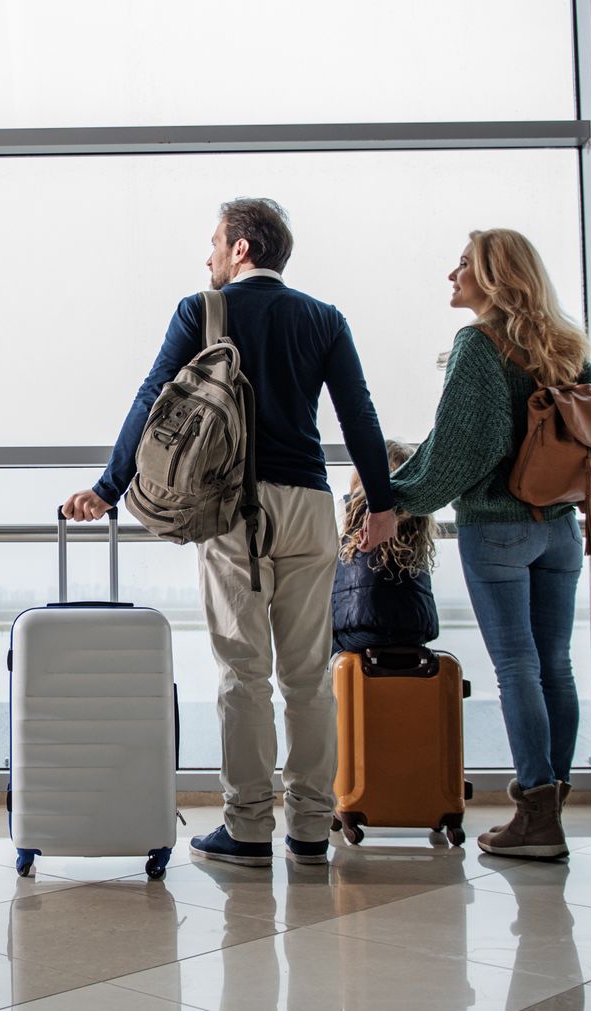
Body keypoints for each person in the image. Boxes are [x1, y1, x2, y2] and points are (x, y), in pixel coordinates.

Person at [63, 197, 396, 868]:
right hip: (310, 507)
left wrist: (107, 487)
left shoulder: (202, 311)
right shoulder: (325, 319)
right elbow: (358, 413)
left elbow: (151, 396)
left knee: (244, 675)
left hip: (235, 511)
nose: (207, 256)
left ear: (241, 249)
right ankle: (308, 827)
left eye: (214, 243)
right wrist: (382, 506)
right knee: (308, 678)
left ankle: (247, 827)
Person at [390, 228, 591, 859]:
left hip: (498, 526)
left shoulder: (479, 343)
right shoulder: (561, 345)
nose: (451, 274)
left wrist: (397, 498)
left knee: (518, 668)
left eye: (463, 264)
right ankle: (549, 810)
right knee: (556, 666)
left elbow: (466, 448)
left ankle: (537, 817)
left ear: (492, 277)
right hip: (562, 528)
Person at [331, 440, 438, 655]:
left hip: (358, 631)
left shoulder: (356, 511)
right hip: (415, 629)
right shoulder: (418, 519)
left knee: (326, 648)